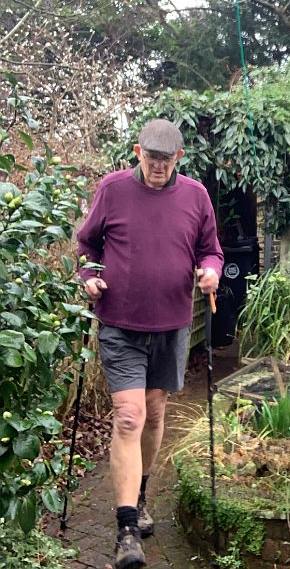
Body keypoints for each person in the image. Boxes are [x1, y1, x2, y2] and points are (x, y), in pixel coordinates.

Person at [77, 119, 223, 569]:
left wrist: (211, 271)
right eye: (150, 157)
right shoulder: (113, 189)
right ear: (137, 152)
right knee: (128, 417)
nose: (157, 166)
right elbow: (87, 244)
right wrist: (89, 277)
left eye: (165, 159)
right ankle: (125, 532)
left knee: (155, 412)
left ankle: (139, 497)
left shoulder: (196, 196)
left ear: (178, 158)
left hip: (172, 325)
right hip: (120, 324)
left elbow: (210, 249)